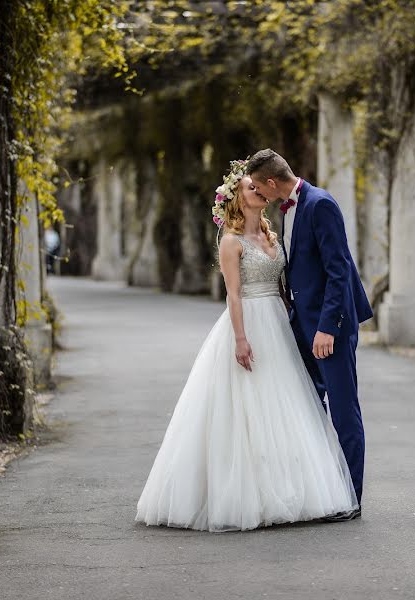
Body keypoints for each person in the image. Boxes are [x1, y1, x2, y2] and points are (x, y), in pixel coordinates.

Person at [135, 159, 358, 532]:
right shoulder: (230, 242)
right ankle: (247, 495)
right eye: (249, 188)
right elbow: (233, 296)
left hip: (280, 325)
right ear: (236, 200)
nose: (256, 191)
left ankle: (296, 489)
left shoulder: (273, 235)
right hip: (249, 324)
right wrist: (240, 338)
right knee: (248, 407)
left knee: (288, 405)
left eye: (257, 186)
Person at [246, 149, 373, 521]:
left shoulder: (320, 205)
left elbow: (339, 270)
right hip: (302, 324)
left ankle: (351, 499)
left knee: (343, 410)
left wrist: (327, 328)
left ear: (272, 182)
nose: (258, 194)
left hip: (329, 328)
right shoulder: (289, 208)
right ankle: (322, 491)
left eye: (258, 186)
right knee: (307, 406)